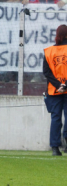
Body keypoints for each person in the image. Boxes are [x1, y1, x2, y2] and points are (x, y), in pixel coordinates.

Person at [45, 24, 67, 156]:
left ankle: (54, 147)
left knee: (55, 118)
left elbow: (46, 72)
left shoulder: (49, 51)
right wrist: (65, 84)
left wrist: (58, 85)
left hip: (54, 90)